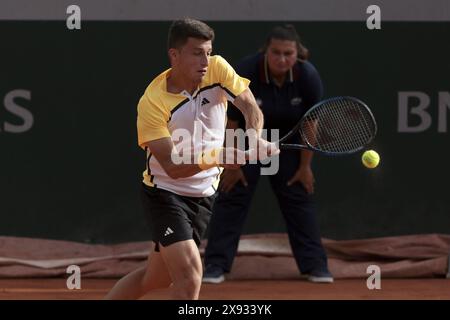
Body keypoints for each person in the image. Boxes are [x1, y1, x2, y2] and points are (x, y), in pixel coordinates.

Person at [104, 18, 277, 300]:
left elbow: (249, 106)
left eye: (208, 52)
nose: (205, 61)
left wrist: (255, 137)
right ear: (175, 55)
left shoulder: (218, 68)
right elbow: (172, 167)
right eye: (197, 52)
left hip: (204, 196)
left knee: (153, 278)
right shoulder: (153, 103)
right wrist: (219, 156)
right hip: (165, 195)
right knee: (188, 286)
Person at [202, 25, 333, 284]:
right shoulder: (247, 71)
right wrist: (234, 164)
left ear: (297, 54)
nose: (282, 59)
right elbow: (233, 121)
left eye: (288, 53)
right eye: (276, 53)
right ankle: (215, 267)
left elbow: (310, 124)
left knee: (299, 197)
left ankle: (315, 267)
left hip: (287, 142)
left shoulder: (307, 76)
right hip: (248, 139)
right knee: (232, 195)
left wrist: (305, 167)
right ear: (266, 52)